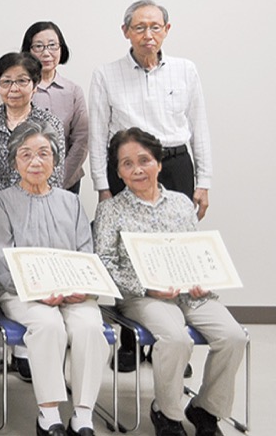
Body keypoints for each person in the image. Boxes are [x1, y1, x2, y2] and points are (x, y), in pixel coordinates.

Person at [94, 128, 245, 436]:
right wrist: (146, 287)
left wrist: (203, 280)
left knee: (233, 336)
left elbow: (196, 251)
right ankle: (167, 412)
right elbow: (104, 264)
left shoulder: (180, 204)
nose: (137, 169)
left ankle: (205, 409)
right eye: (127, 163)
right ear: (118, 172)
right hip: (142, 296)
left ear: (159, 163)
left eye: (144, 160)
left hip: (190, 293)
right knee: (176, 339)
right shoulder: (111, 209)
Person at [0, 122, 107, 436]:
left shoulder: (71, 202)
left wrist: (80, 289)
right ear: (15, 162)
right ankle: (48, 415)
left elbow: (85, 253)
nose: (35, 162)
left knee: (90, 327)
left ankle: (82, 416)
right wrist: (39, 292)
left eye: (43, 154)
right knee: (48, 325)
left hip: (74, 293)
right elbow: (2, 262)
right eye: (26, 155)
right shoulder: (0, 202)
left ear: (55, 160)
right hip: (22, 294)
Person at [89, 0, 211, 221]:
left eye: (155, 27)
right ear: (126, 31)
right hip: (128, 168)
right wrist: (102, 187)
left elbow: (199, 128)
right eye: (139, 28)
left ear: (166, 29)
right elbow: (97, 136)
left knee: (176, 236)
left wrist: (203, 182)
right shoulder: (105, 74)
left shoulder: (185, 70)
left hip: (175, 165)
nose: (148, 35)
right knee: (127, 236)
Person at [0, 52, 66, 216]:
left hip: (39, 213)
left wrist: (29, 209)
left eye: (22, 81)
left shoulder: (51, 124)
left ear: (35, 86)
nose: (14, 88)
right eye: (6, 82)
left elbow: (55, 174)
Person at [21, 22, 89, 194]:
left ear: (61, 48)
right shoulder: (20, 89)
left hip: (68, 180)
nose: (46, 53)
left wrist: (60, 178)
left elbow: (81, 139)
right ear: (28, 51)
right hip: (26, 179)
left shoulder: (73, 91)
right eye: (38, 46)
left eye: (52, 45)